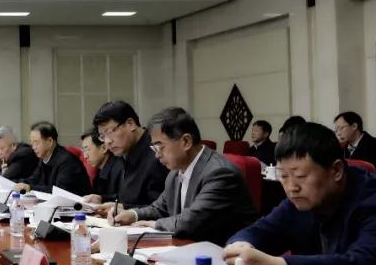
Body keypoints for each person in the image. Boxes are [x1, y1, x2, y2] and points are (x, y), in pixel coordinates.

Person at [223, 122, 376, 265]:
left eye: (300, 176)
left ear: (336, 170)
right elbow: (261, 230)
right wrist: (242, 245)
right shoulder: (300, 201)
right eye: (283, 176)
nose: (291, 187)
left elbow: (363, 264)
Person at [110, 108, 256, 246]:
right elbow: (160, 208)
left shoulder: (220, 173)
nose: (157, 155)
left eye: (160, 147)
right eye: (154, 148)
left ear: (186, 142)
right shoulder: (175, 172)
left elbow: (192, 221)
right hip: (189, 248)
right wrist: (132, 214)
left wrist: (155, 225)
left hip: (224, 254)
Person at [88, 100, 168, 210]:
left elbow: (161, 209)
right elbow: (132, 196)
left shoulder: (157, 153)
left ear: (130, 124)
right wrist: (102, 199)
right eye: (102, 136)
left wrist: (123, 208)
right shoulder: (126, 152)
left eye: (110, 132)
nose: (107, 141)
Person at [16, 122, 90, 195]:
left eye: (36, 142)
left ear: (50, 141)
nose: (33, 147)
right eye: (32, 143)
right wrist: (20, 183)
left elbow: (60, 191)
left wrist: (30, 188)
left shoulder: (67, 162)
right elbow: (35, 179)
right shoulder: (44, 157)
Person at [81, 129, 121, 201]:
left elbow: (126, 199)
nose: (85, 156)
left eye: (87, 149)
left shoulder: (121, 169)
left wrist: (102, 199)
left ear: (104, 148)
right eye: (83, 151)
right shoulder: (99, 172)